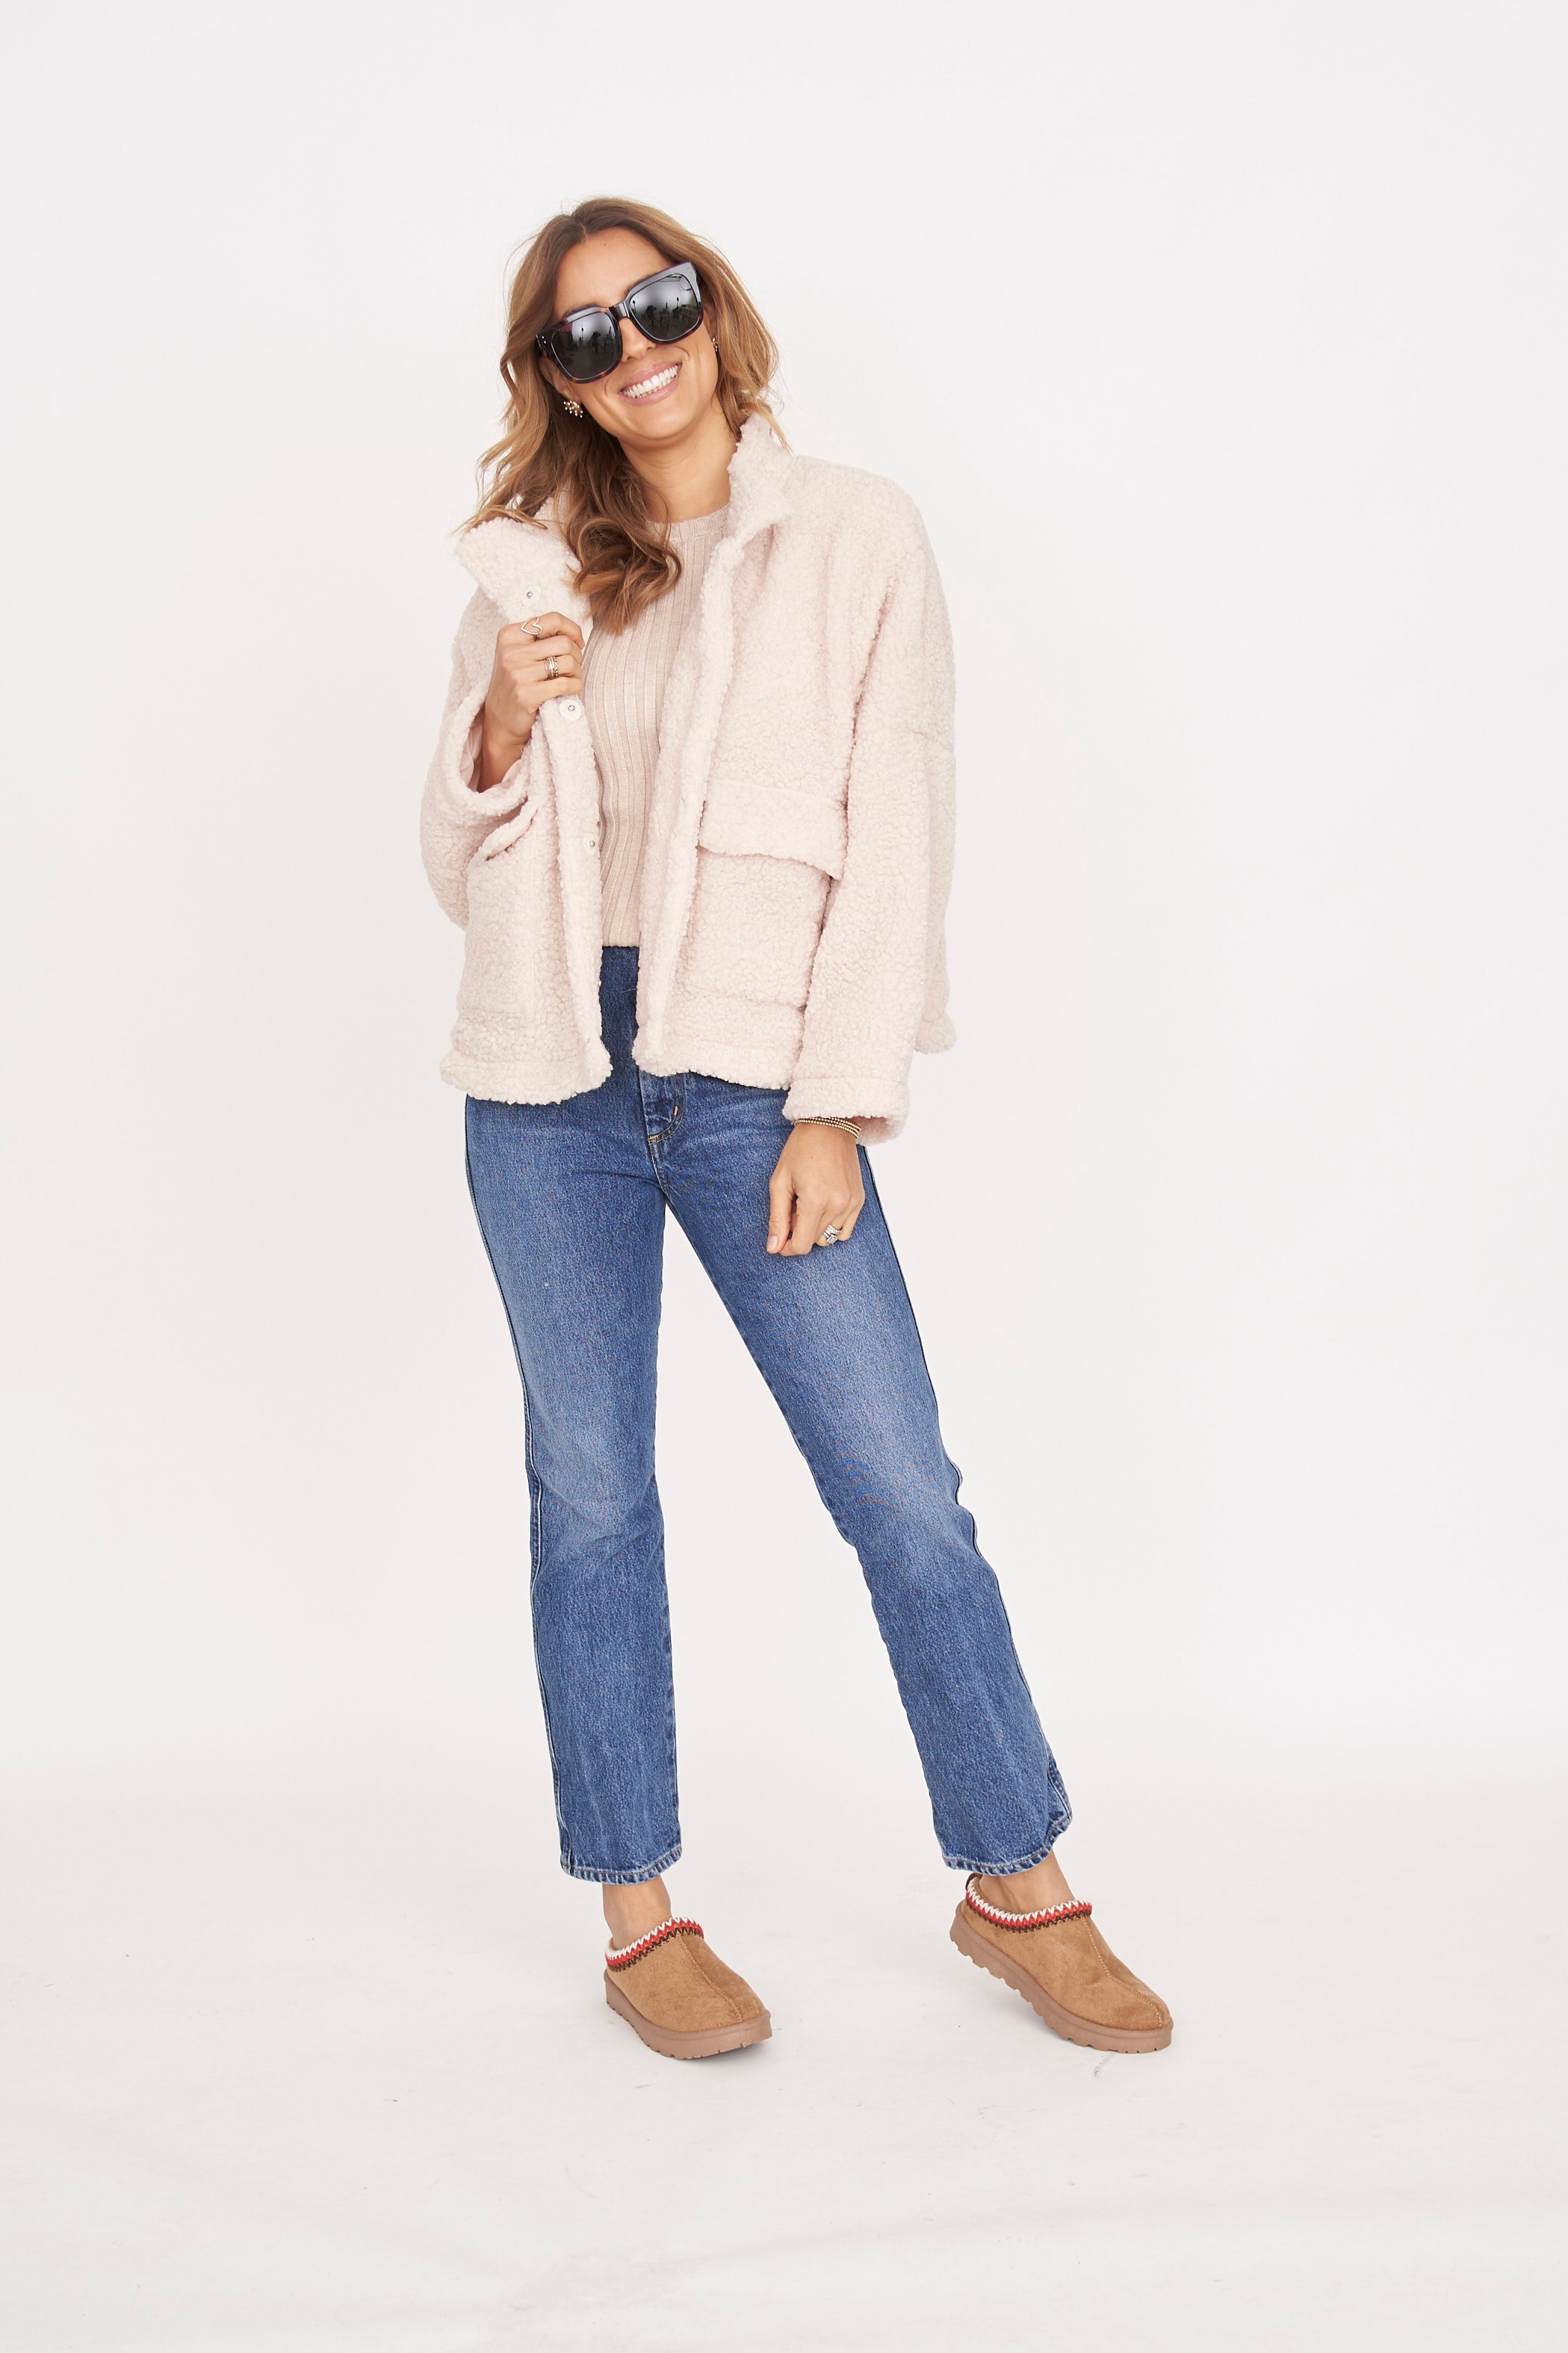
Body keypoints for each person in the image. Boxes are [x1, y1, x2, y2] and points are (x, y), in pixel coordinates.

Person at [421, 197, 1171, 2062]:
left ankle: (1020, 1884)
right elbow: (452, 862)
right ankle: (639, 1917)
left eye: (656, 304)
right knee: (591, 1497)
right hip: (549, 1081)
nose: (633, 349)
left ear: (712, 310)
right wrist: (495, 728)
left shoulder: (854, 535)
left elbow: (897, 829)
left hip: (756, 1078)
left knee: (900, 1487)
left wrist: (837, 1102)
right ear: (555, 380)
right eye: (585, 335)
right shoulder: (528, 573)